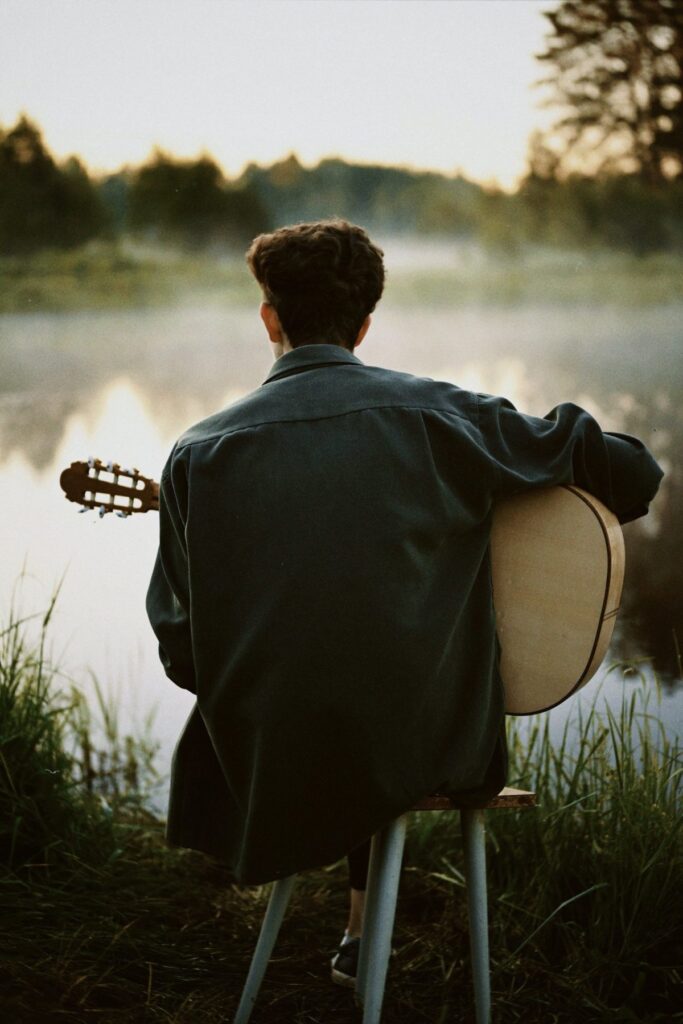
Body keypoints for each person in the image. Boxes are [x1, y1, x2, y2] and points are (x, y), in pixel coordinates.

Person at [146, 218, 663, 988]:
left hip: (269, 754)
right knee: (383, 673)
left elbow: (183, 652)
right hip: (430, 740)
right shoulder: (443, 417)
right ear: (364, 324)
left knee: (331, 674)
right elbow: (633, 476)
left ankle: (343, 926)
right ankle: (363, 934)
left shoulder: (197, 451)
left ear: (269, 318)